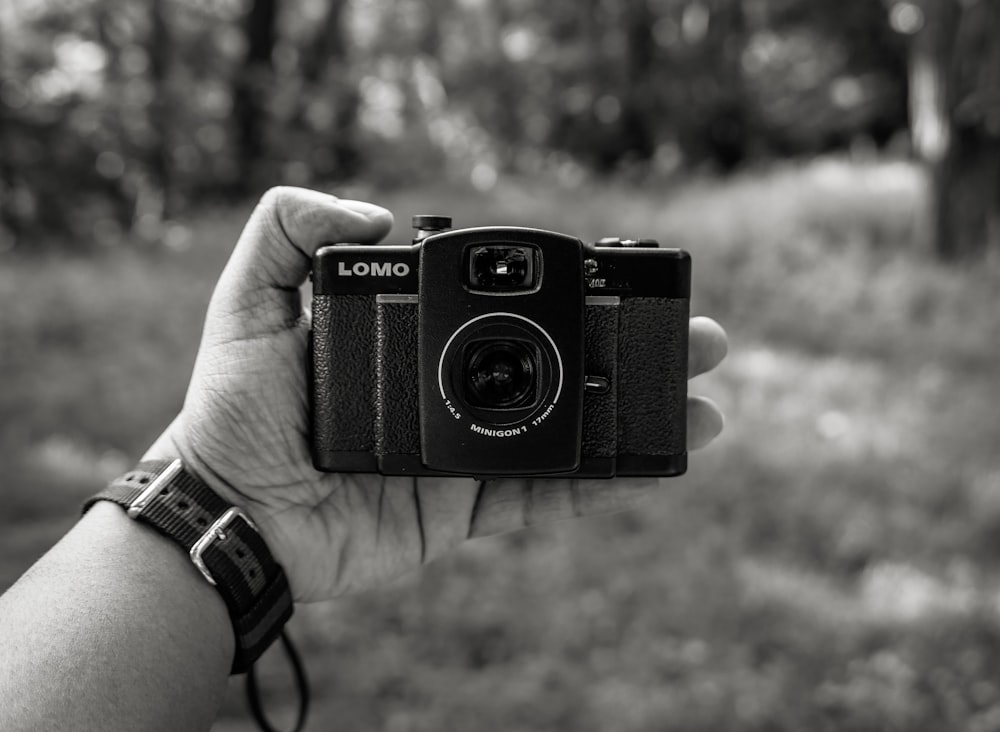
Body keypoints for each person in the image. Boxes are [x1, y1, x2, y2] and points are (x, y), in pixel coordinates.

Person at [0, 187, 727, 731]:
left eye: (506, 373)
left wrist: (220, 500)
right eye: (495, 370)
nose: (500, 377)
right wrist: (230, 488)